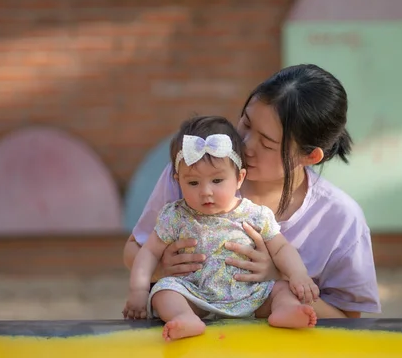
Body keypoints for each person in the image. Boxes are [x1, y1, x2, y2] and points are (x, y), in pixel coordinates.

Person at [124, 63, 381, 320]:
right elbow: (134, 249)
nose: (245, 144)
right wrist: (161, 270)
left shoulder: (340, 218)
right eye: (245, 123)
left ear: (310, 156)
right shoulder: (193, 172)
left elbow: (348, 323)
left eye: (267, 144)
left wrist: (279, 276)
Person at [123, 116, 320, 341]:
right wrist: (138, 290)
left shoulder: (255, 214)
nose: (206, 191)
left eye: (217, 181)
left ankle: (285, 310)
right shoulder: (175, 215)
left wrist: (298, 275)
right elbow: (148, 251)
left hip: (249, 293)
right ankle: (184, 317)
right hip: (194, 293)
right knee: (163, 291)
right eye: (193, 183)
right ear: (178, 181)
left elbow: (281, 248)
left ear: (239, 178)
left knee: (281, 288)